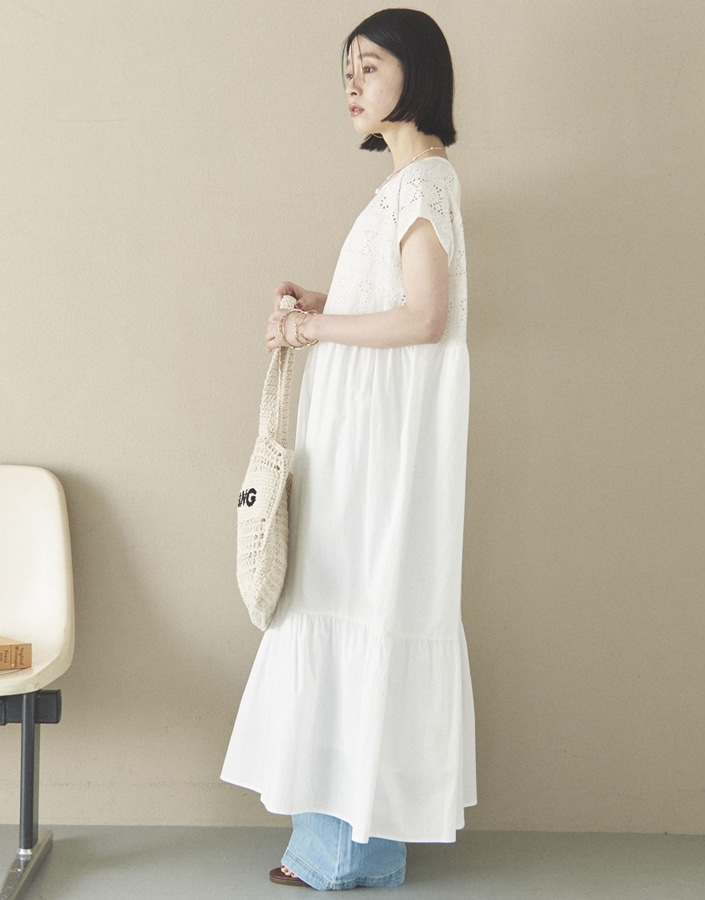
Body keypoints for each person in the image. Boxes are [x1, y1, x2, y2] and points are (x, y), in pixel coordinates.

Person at [222, 8, 476, 890]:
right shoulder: (409, 185)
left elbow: (426, 318)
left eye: (369, 66)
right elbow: (398, 303)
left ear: (418, 71)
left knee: (353, 604)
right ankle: (359, 848)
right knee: (358, 604)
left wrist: (312, 328)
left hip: (377, 447)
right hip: (366, 437)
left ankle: (339, 853)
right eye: (347, 71)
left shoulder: (422, 186)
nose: (352, 85)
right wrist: (324, 302)